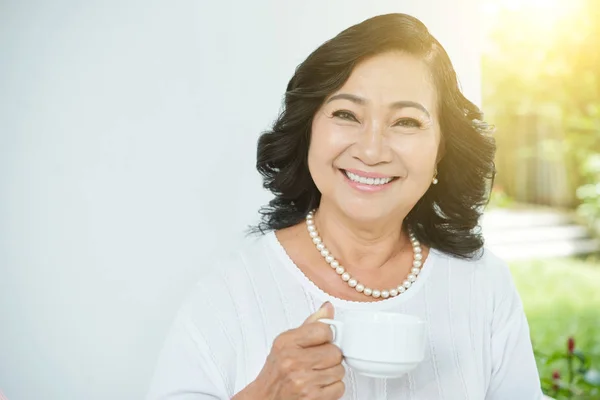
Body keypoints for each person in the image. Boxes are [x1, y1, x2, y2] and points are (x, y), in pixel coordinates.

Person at [147, 13, 543, 400]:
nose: (371, 151)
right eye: (346, 114)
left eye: (405, 122)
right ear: (309, 131)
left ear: (442, 149)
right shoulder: (231, 293)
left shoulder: (483, 285)